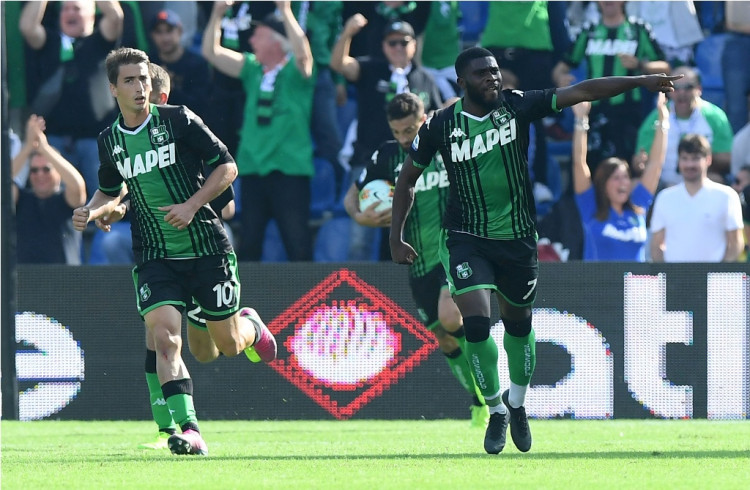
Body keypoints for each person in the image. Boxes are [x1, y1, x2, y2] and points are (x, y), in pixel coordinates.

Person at [390, 46, 681, 454]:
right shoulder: (440, 125)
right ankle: (494, 410)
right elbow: (405, 181)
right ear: (462, 82)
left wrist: (640, 82)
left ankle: (518, 403)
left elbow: (581, 91)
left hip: (517, 238)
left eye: (494, 70)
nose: (492, 77)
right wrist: (395, 236)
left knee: (518, 327)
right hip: (466, 237)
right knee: (474, 324)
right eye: (481, 73)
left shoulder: (517, 106)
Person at [71, 47, 278, 456]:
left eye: (144, 79)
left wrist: (192, 204)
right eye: (129, 80)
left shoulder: (178, 119)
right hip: (155, 256)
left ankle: (250, 325)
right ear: (113, 88)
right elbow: (111, 190)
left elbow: (227, 166)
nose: (139, 87)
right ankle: (188, 430)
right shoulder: (109, 140)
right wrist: (91, 210)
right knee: (165, 340)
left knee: (225, 347)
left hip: (205, 250)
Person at [343, 92, 489, 428]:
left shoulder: (446, 141)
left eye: (409, 129)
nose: (404, 138)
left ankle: (489, 375)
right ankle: (479, 398)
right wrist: (361, 217)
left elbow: (466, 100)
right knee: (445, 336)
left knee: (451, 315)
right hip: (417, 258)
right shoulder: (387, 155)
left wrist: (437, 115)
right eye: (397, 132)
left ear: (423, 120)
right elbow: (353, 195)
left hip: (455, 246)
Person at [202, 1, 316, 262]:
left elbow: (303, 56)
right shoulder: (253, 69)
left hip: (290, 171)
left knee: (297, 243)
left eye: (258, 34)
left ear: (276, 41)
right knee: (250, 244)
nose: (251, 39)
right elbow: (211, 52)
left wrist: (286, 12)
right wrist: (217, 15)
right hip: (253, 170)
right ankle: (245, 303)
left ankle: (307, 303)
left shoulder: (296, 73)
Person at [331, 16, 443, 260]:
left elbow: (440, 114)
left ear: (414, 44)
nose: (398, 48)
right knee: (360, 239)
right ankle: (358, 297)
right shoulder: (371, 68)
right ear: (383, 46)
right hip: (368, 160)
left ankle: (395, 293)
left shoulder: (425, 79)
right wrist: (348, 33)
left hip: (412, 166)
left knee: (403, 235)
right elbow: (339, 64)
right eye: (392, 43)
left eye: (404, 42)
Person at [20, 1, 124, 201]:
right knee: (56, 200)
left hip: (95, 139)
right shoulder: (49, 41)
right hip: (54, 140)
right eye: (66, 8)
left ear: (92, 16)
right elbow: (27, 26)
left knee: (103, 199)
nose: (70, 12)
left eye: (76, 8)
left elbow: (115, 17)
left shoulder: (101, 41)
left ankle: (99, 233)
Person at [552, 1, 669, 174]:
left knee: (625, 171)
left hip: (628, 114)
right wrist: (560, 79)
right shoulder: (589, 31)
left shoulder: (638, 29)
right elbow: (560, 69)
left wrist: (640, 65)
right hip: (594, 111)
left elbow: (665, 67)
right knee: (588, 168)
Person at [572, 93, 668, 261]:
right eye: (616, 178)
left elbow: (655, 164)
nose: (623, 182)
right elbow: (579, 164)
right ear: (603, 183)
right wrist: (581, 119)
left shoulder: (637, 204)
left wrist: (663, 122)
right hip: (599, 286)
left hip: (635, 286)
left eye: (625, 177)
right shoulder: (590, 206)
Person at [649, 134, 745, 263]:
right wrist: (668, 276)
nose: (689, 164)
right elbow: (656, 244)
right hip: (675, 280)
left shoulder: (727, 196)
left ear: (708, 160)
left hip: (714, 281)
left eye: (695, 158)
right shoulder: (664, 198)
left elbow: (736, 242)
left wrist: (719, 273)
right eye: (685, 158)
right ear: (678, 161)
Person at [635, 66, 733, 187]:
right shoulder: (656, 116)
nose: (681, 92)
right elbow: (638, 161)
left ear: (699, 89)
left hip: (701, 182)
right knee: (636, 185)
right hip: (662, 184)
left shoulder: (715, 116)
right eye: (675, 87)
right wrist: (641, 162)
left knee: (716, 179)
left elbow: (727, 160)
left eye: (688, 87)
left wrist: (699, 157)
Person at [13, 114, 87, 265]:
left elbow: (78, 186)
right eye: (34, 170)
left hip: (66, 282)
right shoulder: (20, 199)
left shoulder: (66, 200)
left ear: (58, 172)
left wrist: (45, 148)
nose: (40, 174)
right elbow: (4, 183)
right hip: (25, 281)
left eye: (46, 169)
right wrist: (28, 147)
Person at [148, 9, 212, 119]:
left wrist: (169, 86)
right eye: (159, 32)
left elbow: (202, 105)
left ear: (180, 31)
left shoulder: (198, 64)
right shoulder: (148, 63)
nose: (165, 38)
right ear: (152, 35)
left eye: (169, 30)